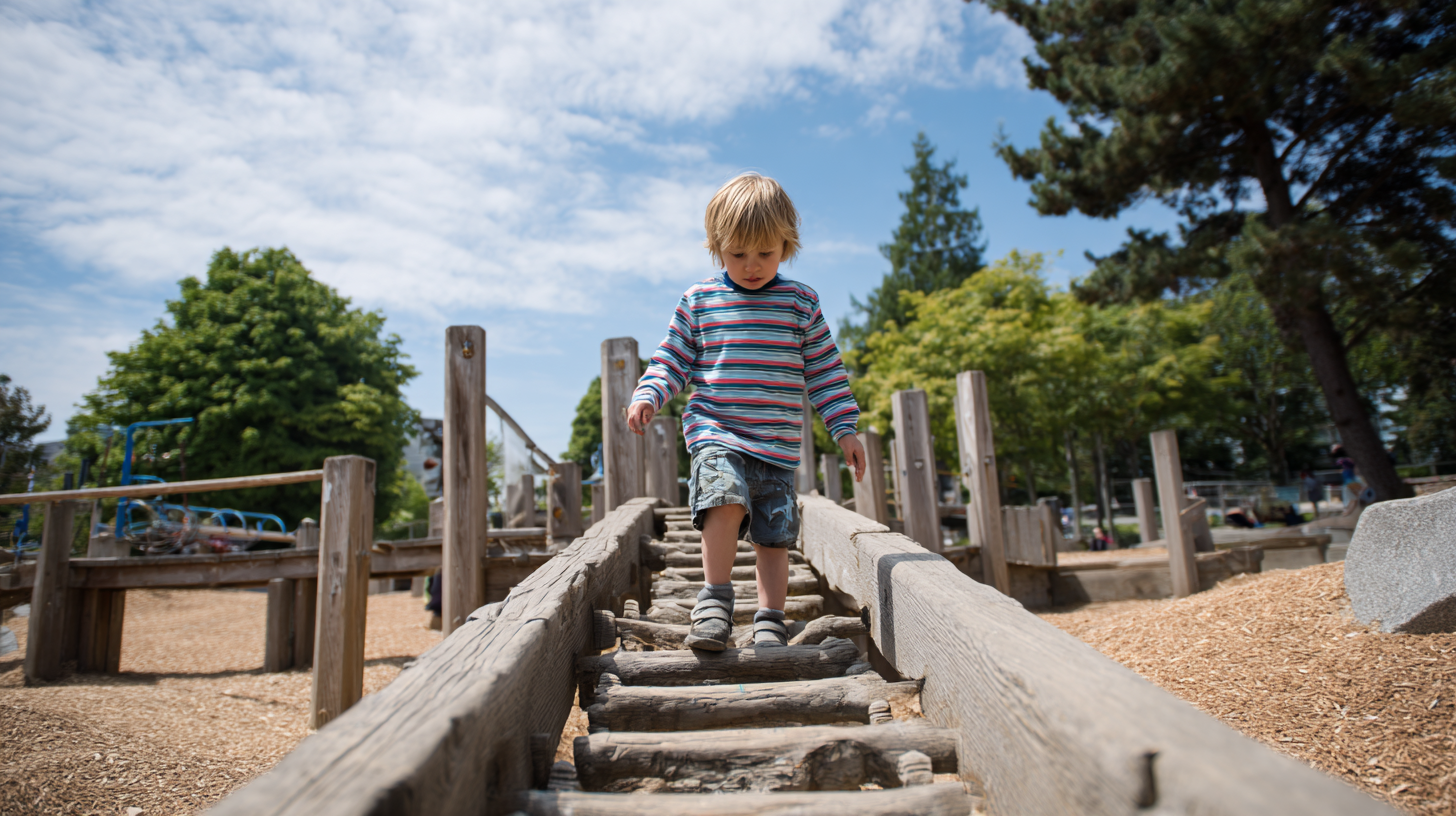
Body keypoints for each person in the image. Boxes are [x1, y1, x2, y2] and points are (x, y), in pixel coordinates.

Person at [626, 173, 866, 651]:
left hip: (776, 444)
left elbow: (823, 371)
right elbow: (673, 357)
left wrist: (844, 429)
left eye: (766, 253)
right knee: (725, 498)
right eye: (738, 254)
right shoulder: (700, 301)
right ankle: (715, 601)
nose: (752, 266)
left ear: (786, 245)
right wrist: (650, 393)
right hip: (717, 430)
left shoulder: (799, 303)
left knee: (773, 536)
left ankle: (770, 619)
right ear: (717, 247)